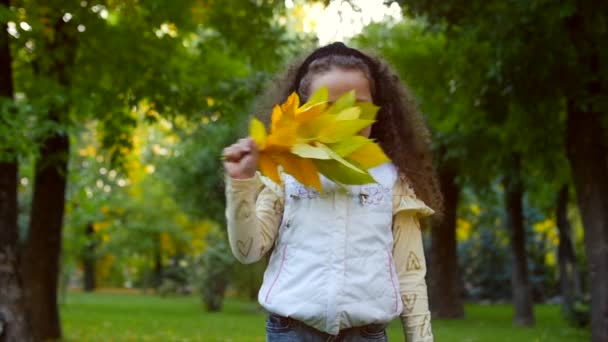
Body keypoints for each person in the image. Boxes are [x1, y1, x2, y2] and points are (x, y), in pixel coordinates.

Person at [222, 42, 443, 341]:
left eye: (358, 107)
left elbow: (410, 275)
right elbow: (248, 251)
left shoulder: (393, 181)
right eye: (327, 108)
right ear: (301, 110)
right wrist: (240, 185)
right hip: (292, 333)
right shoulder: (286, 174)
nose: (344, 119)